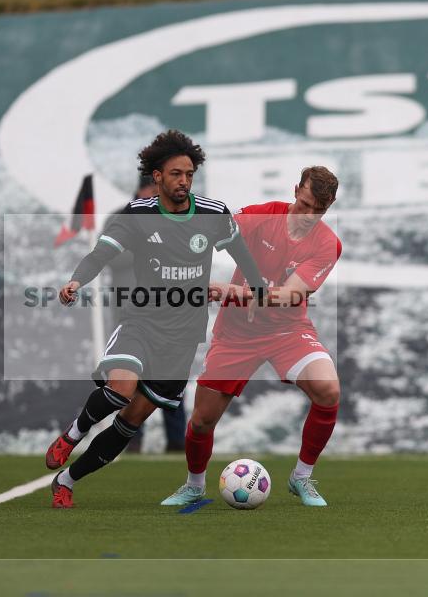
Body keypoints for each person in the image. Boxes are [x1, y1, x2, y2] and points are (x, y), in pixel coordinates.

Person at [46, 129, 268, 508]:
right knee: (120, 389)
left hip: (182, 338)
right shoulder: (136, 216)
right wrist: (76, 280)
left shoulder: (213, 214)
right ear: (158, 177)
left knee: (131, 421)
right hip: (141, 323)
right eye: (176, 174)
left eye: (189, 174)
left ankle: (66, 481)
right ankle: (71, 435)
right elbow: (100, 254)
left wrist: (258, 288)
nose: (184, 181)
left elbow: (242, 253)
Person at [161, 166, 341, 508]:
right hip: (237, 334)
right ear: (294, 191)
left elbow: (291, 295)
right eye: (303, 204)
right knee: (202, 421)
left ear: (329, 206)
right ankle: (194, 485)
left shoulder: (328, 244)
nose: (307, 215)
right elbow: (212, 233)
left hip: (287, 331)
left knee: (328, 390)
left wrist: (231, 291)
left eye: (317, 210)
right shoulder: (262, 216)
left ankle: (301, 478)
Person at [106, 175, 188, 453]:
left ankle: (177, 443)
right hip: (132, 314)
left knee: (170, 378)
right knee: (131, 378)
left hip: (169, 315)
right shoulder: (122, 218)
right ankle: (130, 441)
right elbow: (109, 255)